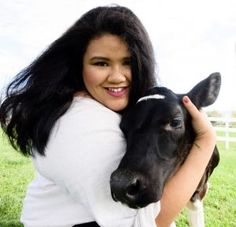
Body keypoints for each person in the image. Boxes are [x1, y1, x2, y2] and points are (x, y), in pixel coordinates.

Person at [0, 5, 216, 227]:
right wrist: (206, 140)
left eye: (128, 62)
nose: (116, 77)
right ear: (79, 65)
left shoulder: (93, 106)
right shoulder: (77, 122)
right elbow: (148, 221)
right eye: (101, 63)